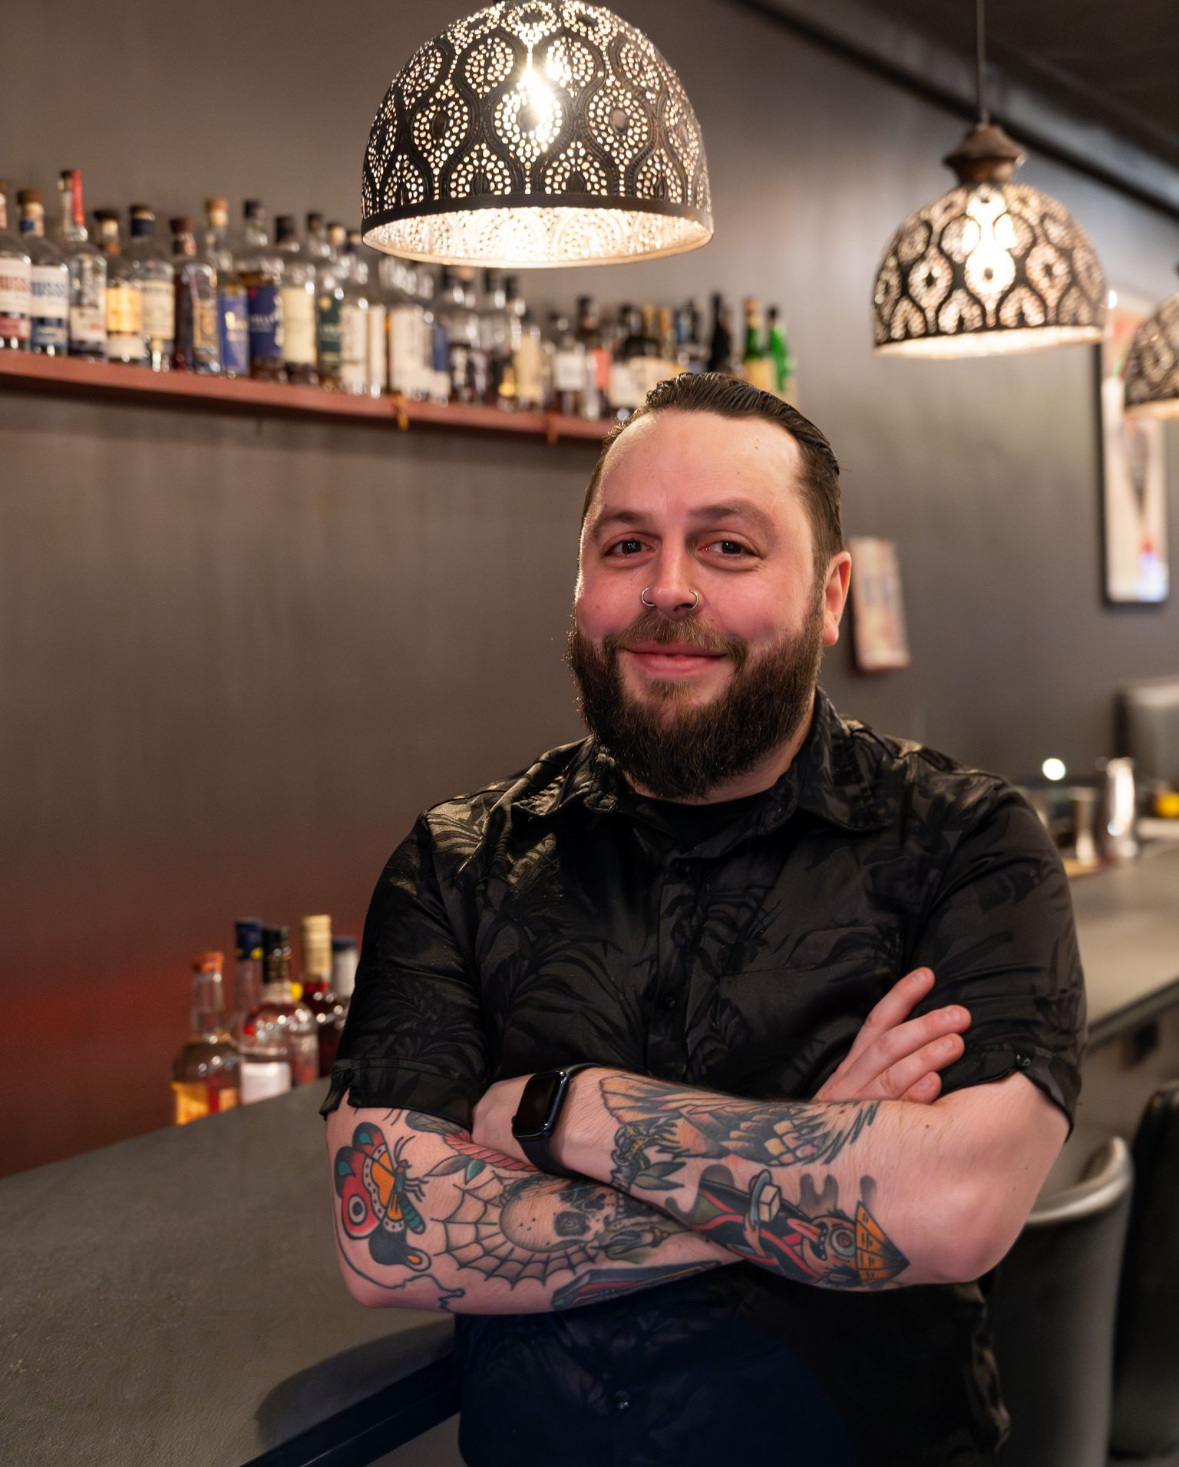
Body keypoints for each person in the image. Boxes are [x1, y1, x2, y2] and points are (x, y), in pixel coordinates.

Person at [321, 372, 1086, 1467]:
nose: (667, 589)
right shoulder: (459, 861)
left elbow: (955, 1206)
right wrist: (815, 1172)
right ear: (580, 580)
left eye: (728, 547)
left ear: (829, 595)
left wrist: (565, 1112)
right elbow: (389, 1241)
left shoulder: (965, 845)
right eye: (626, 546)